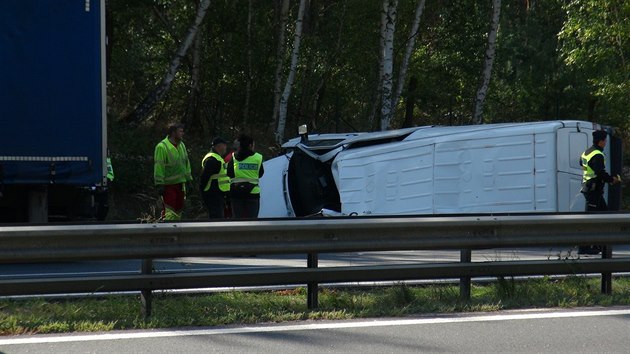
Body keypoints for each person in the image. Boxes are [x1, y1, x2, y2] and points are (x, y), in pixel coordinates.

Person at [578, 130, 620, 254]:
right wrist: (612, 179)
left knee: (603, 216)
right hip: (593, 190)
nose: (606, 143)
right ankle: (584, 247)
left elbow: (581, 162)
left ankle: (599, 245)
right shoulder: (597, 155)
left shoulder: (587, 151)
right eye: (605, 140)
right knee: (592, 220)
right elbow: (600, 173)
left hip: (590, 188)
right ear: (601, 141)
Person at [154, 123, 192, 221]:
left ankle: (177, 231)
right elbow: (159, 166)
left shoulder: (182, 145)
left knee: (178, 211)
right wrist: (159, 184)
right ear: (173, 132)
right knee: (169, 211)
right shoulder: (162, 147)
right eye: (180, 131)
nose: (182, 133)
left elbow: (186, 163)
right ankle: (167, 232)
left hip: (181, 185)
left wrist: (189, 180)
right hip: (168, 186)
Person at [227, 134, 264, 218]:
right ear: (250, 145)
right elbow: (260, 173)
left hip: (236, 191)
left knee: (237, 220)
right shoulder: (258, 157)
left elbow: (229, 173)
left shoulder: (233, 157)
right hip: (253, 192)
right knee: (252, 220)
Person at [199, 137, 230, 219]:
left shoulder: (217, 158)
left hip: (218, 193)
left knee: (218, 217)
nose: (226, 147)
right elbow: (204, 178)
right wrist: (202, 193)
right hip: (213, 193)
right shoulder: (212, 159)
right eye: (224, 145)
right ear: (219, 146)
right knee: (217, 218)